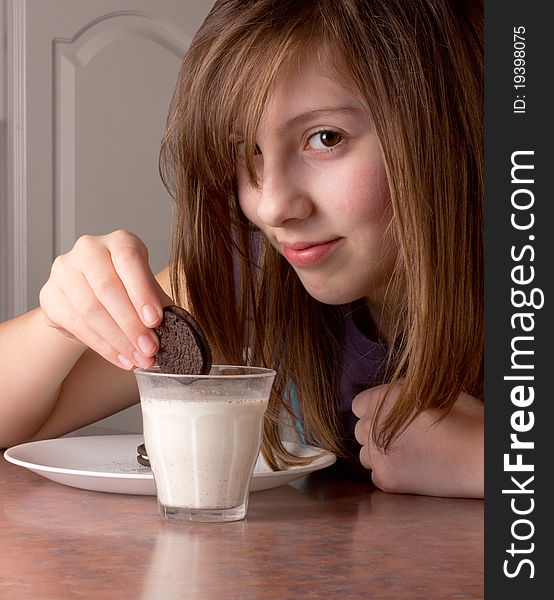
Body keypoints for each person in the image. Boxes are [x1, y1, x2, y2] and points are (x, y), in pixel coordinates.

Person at [0, 0, 483, 498]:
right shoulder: (260, 268)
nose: (271, 206)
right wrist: (59, 322)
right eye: (243, 150)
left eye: (326, 137)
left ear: (443, 127)